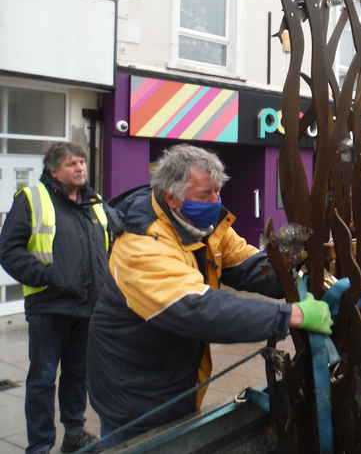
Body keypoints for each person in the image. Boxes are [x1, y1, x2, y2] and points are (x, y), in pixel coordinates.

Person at [87, 143, 331, 448]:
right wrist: (291, 315)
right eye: (205, 195)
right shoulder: (141, 244)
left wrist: (298, 279)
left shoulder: (206, 225)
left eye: (218, 192)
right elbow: (197, 309)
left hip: (179, 374)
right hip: (135, 389)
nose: (215, 202)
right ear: (171, 198)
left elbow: (246, 264)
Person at [0, 142, 109, 454]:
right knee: (43, 379)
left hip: (88, 306)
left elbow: (111, 242)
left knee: (78, 375)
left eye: (82, 163)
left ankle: (74, 433)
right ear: (54, 170)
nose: (80, 168)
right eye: (72, 163)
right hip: (49, 307)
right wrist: (47, 277)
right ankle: (40, 445)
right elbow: (9, 250)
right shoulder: (33, 199)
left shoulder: (94, 203)